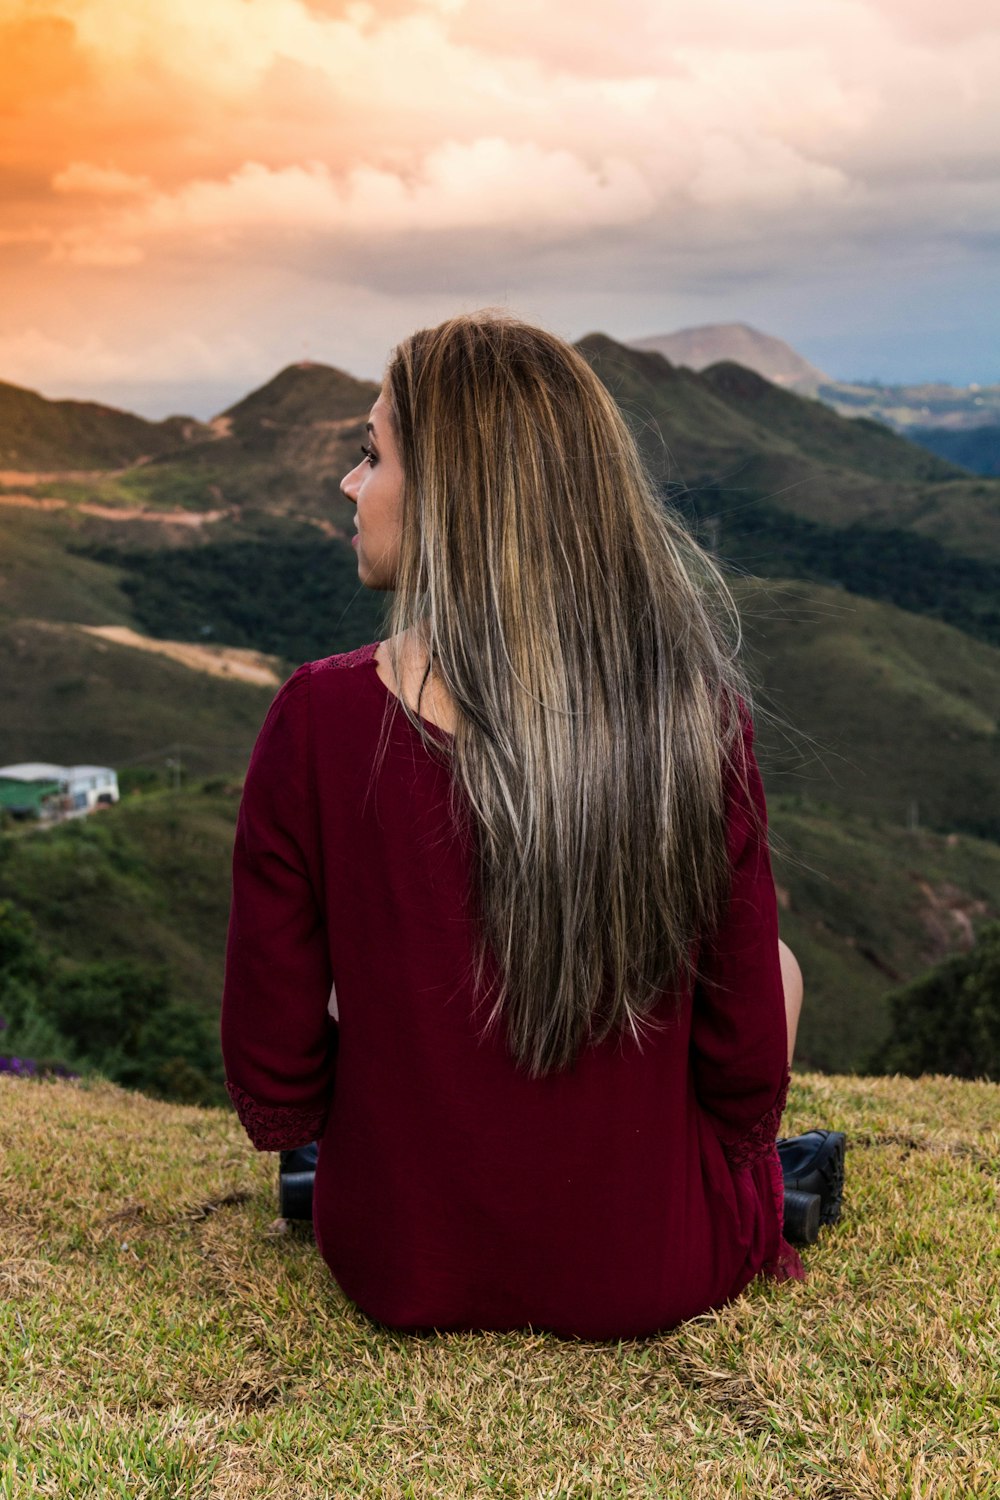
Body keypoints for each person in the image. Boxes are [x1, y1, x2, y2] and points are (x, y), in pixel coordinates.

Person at [220, 311, 844, 1341]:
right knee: (775, 965)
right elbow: (742, 1075)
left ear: (450, 502)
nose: (349, 482)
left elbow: (273, 1069)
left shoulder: (318, 719)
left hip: (399, 1265)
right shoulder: (692, 713)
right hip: (653, 1272)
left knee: (372, 966)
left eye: (371, 455)